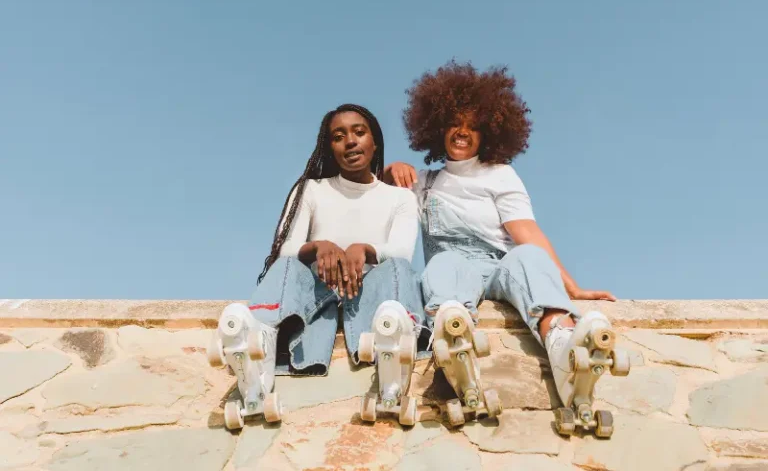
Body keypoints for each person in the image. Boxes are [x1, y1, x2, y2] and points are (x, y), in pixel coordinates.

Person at [385, 62, 631, 435]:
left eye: (473, 126)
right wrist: (391, 171)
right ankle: (455, 340)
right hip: (457, 273)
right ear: (437, 128)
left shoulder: (500, 174)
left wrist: (572, 288)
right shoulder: (423, 182)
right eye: (454, 123)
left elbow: (526, 232)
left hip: (502, 267)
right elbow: (377, 196)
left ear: (488, 132)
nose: (462, 132)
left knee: (528, 256)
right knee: (444, 263)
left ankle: (563, 344)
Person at [208, 104, 424, 430]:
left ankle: (393, 347)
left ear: (375, 142)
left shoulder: (400, 198)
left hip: (372, 302)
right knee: (287, 264)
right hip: (316, 298)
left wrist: (363, 249)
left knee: (396, 267)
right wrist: (318, 247)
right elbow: (285, 248)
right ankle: (257, 343)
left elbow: (402, 252)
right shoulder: (310, 189)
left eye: (359, 132)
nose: (350, 141)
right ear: (329, 147)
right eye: (338, 136)